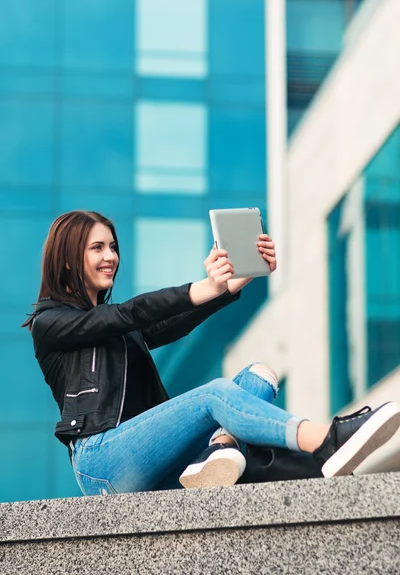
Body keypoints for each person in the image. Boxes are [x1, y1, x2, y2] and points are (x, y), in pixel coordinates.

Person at [23, 210, 400, 496]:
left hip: (154, 463)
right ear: (70, 259)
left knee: (259, 375)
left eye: (113, 246)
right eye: (97, 248)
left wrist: (232, 284)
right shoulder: (50, 322)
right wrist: (203, 285)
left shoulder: (122, 330)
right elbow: (128, 313)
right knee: (214, 394)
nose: (111, 256)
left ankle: (218, 452)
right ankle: (325, 440)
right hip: (101, 462)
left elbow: (169, 322)